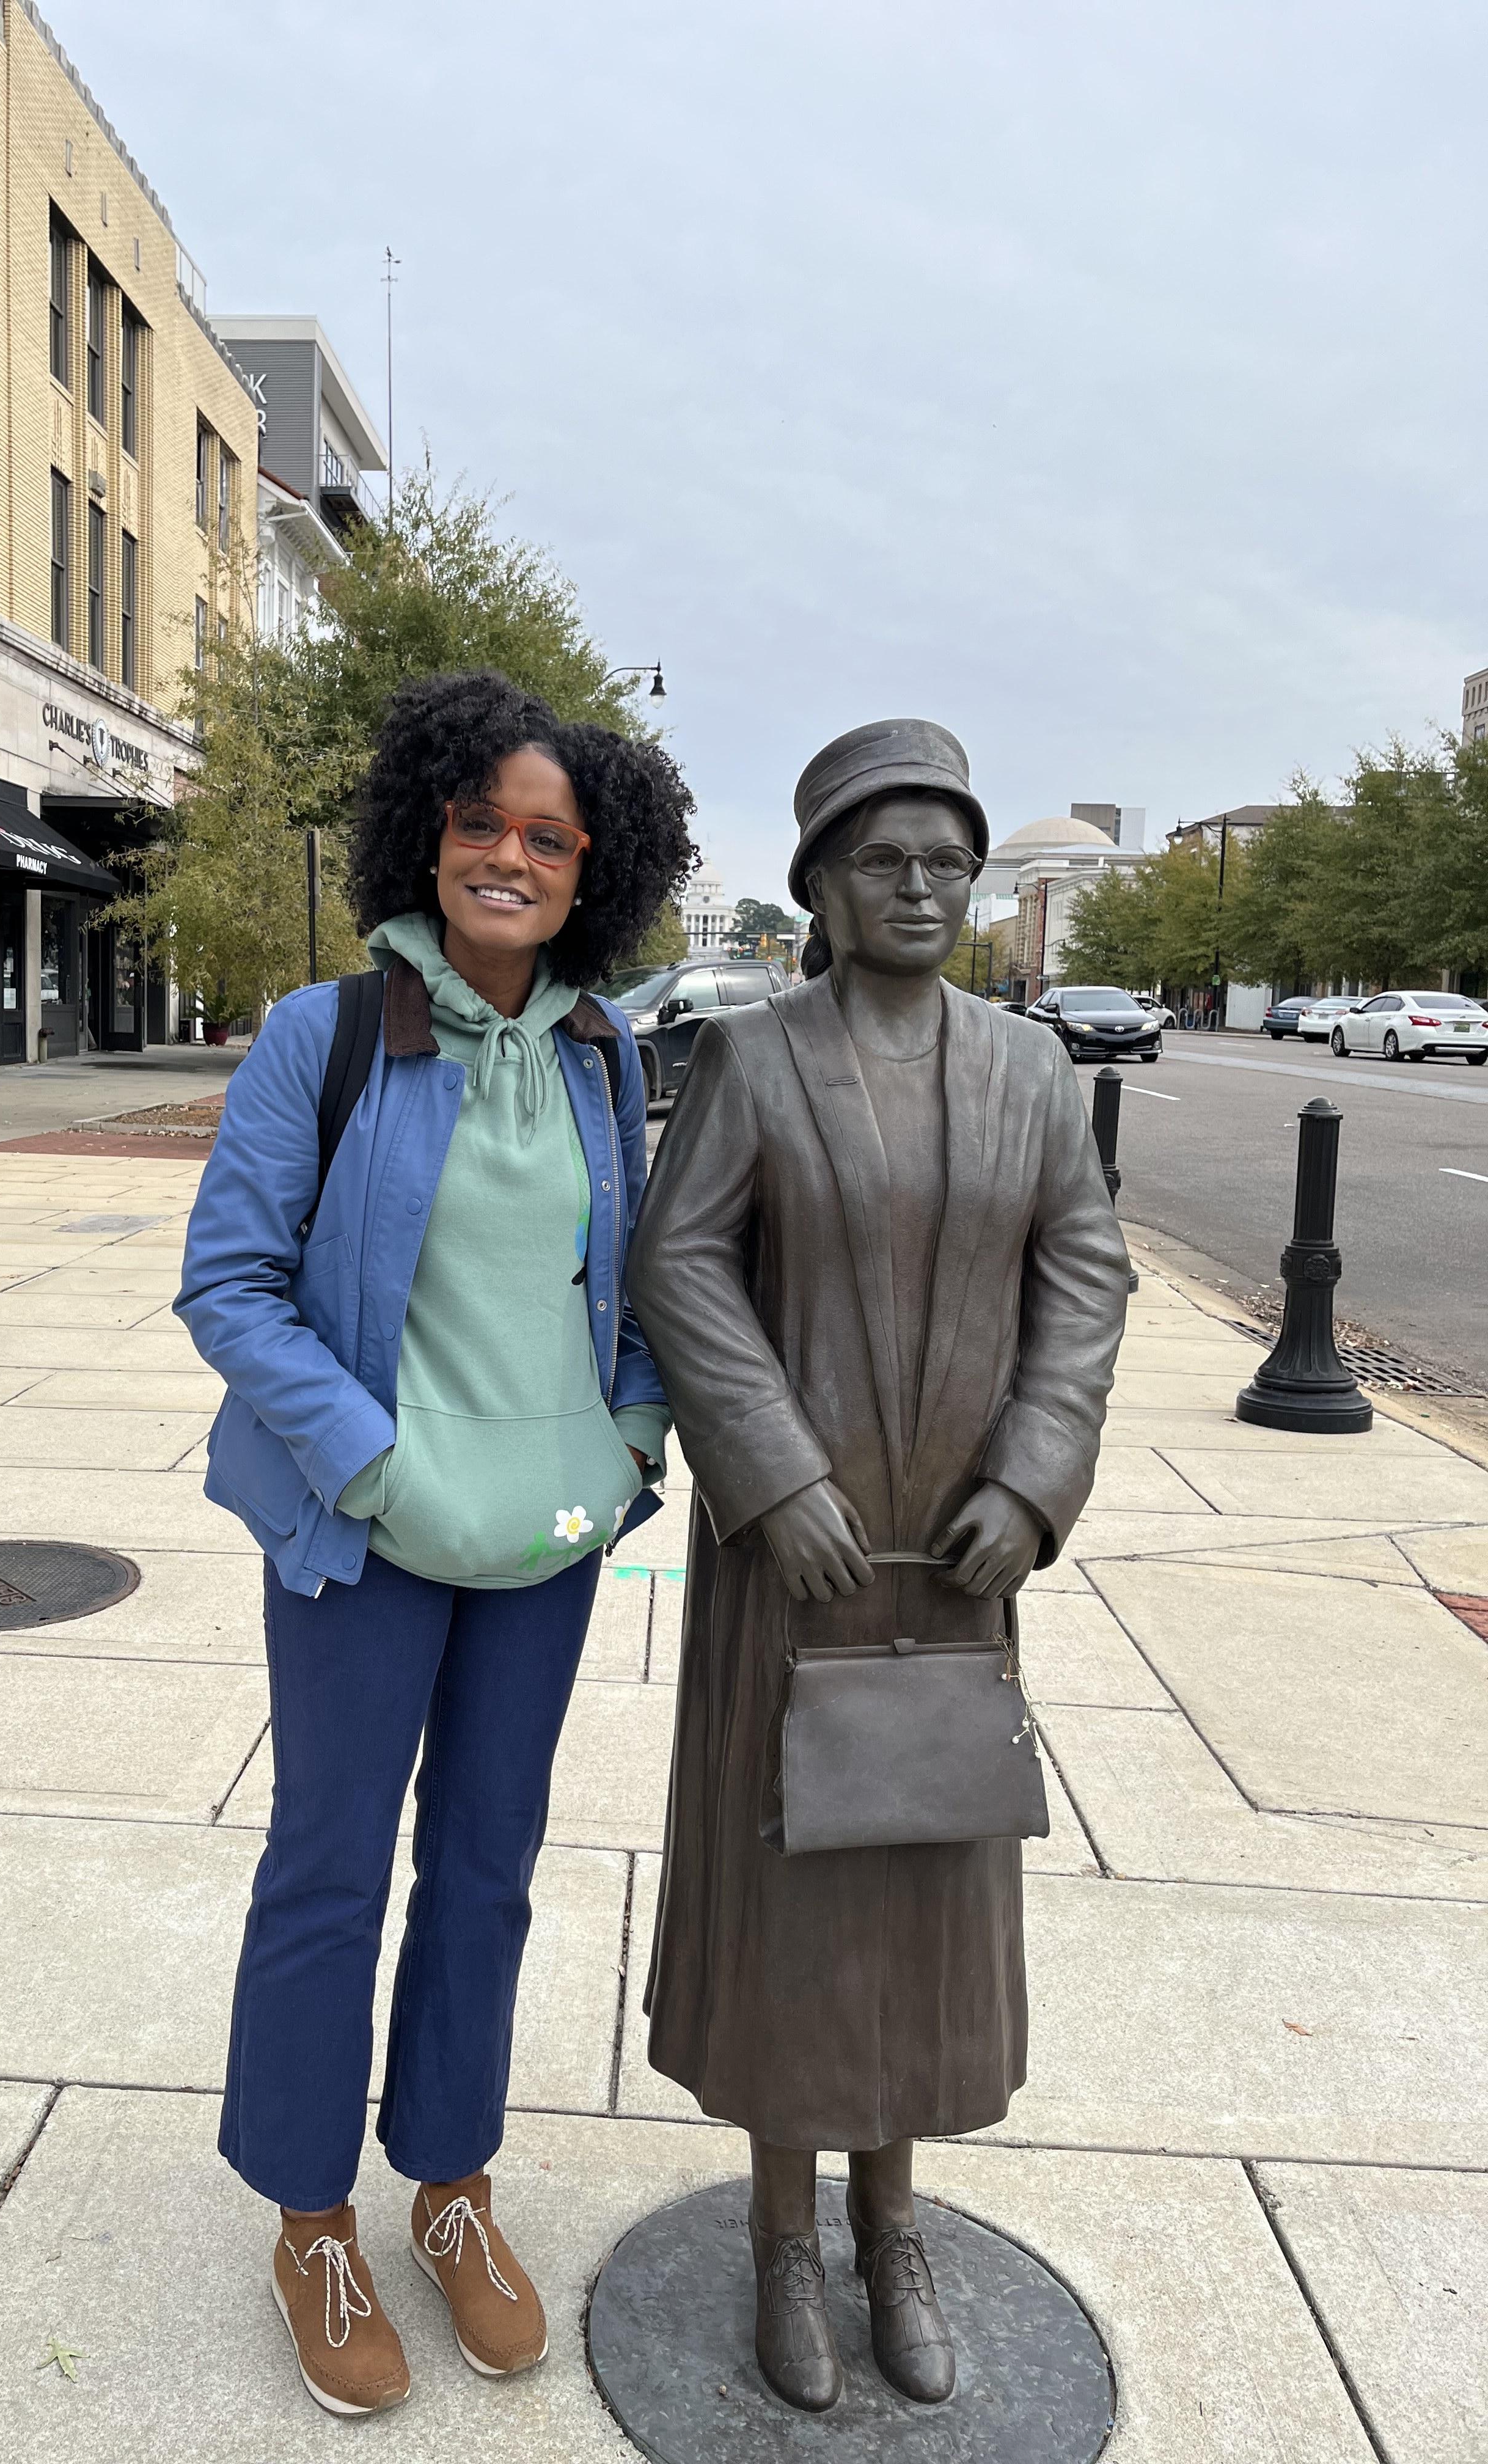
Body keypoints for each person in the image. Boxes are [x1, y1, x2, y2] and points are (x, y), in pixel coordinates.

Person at [176, 669, 694, 2418]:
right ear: (429, 831)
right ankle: (312, 2218)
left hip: (544, 1534)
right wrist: (372, 1465)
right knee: (327, 1865)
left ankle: (451, 2186)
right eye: (483, 822)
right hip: (368, 1531)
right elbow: (229, 1287)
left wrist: (633, 1441)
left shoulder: (605, 1052)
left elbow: (628, 1292)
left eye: (550, 837)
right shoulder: (322, 1037)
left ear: (591, 871)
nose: (512, 856)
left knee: (488, 1862)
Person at [628, 720, 1129, 2414]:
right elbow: (678, 1260)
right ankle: (784, 2230)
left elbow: (1086, 1279)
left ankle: (893, 2222)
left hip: (959, 1561)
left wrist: (1040, 1477)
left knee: (919, 1892)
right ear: (823, 891)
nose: (918, 885)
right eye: (882, 861)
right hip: (798, 1569)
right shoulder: (760, 1063)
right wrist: (769, 1476)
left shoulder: (1032, 1069)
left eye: (945, 860)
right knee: (794, 1905)